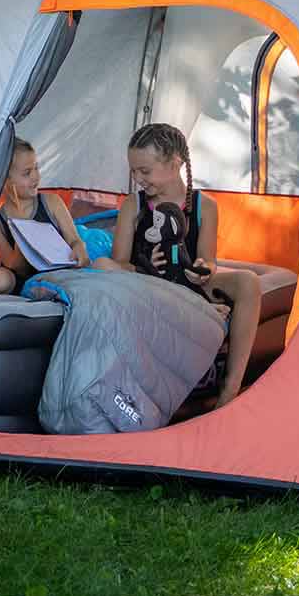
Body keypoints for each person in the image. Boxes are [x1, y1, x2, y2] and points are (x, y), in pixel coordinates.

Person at [109, 121, 263, 409]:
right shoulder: (134, 205)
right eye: (133, 170)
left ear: (175, 162)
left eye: (145, 171)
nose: (138, 178)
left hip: (189, 281)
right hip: (147, 283)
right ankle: (201, 308)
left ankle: (230, 390)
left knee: (249, 282)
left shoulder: (205, 206)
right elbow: (119, 263)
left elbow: (208, 260)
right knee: (105, 265)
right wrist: (146, 266)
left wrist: (204, 269)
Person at [0, 138, 95, 294]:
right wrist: (22, 229)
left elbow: (74, 239)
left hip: (56, 273)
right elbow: (15, 266)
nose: (35, 176)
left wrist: (79, 247)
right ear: (5, 181)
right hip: (19, 278)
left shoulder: (52, 202)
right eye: (27, 173)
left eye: (36, 168)